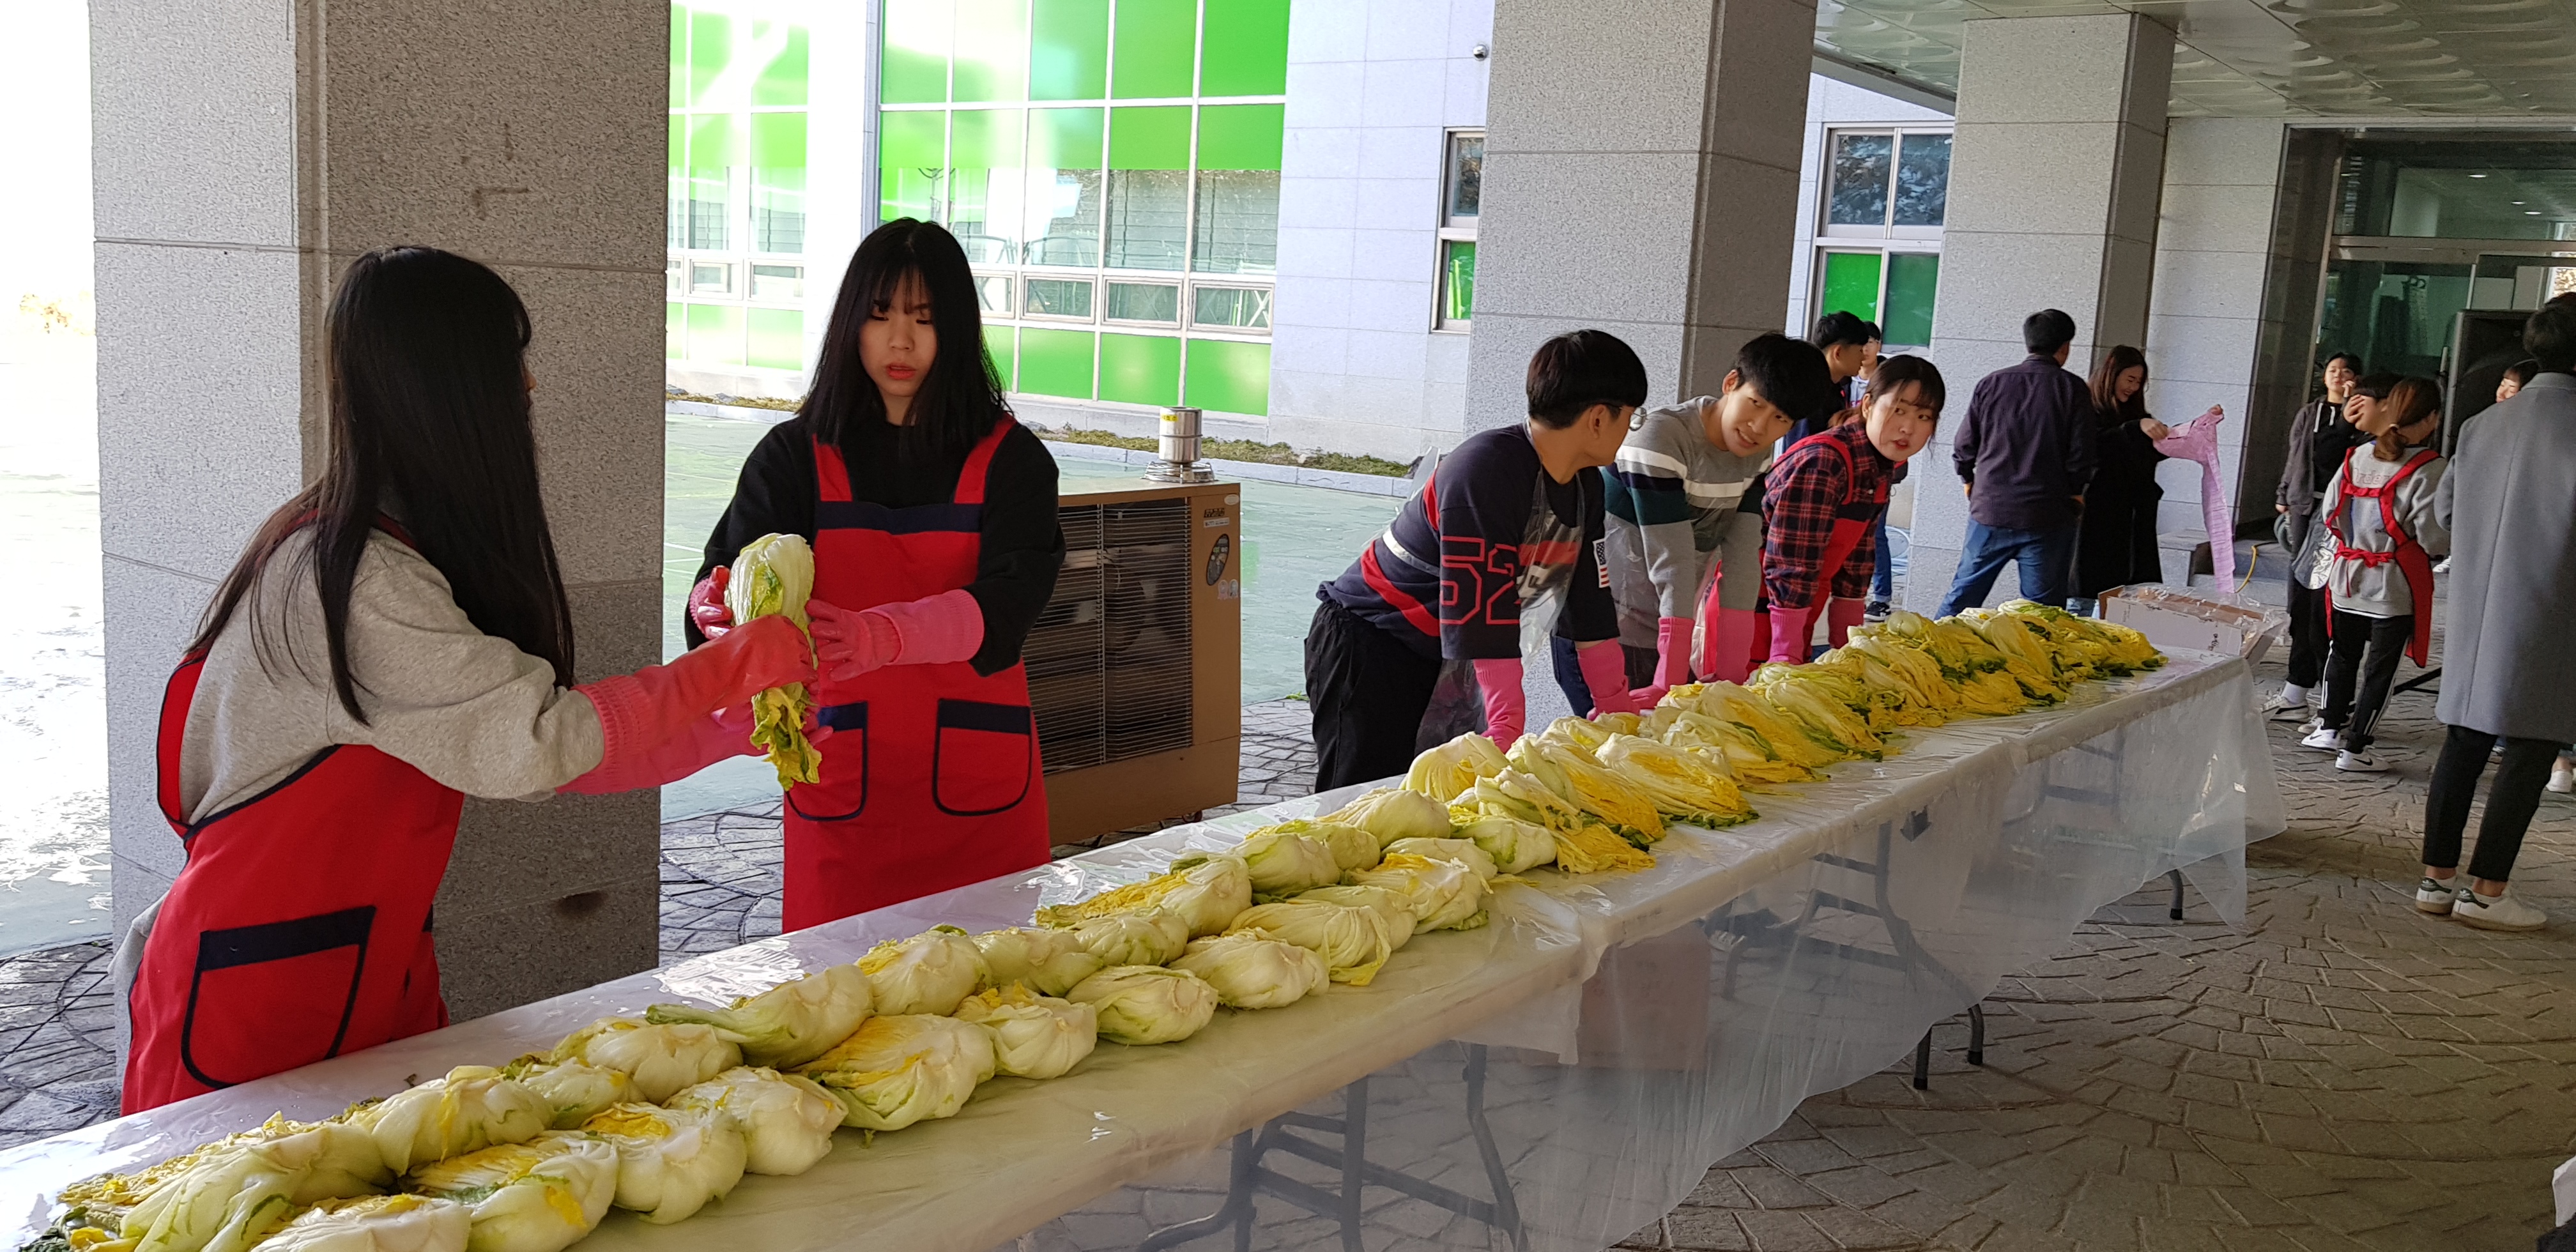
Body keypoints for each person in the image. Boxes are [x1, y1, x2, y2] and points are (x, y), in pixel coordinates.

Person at [120, 248, 817, 1113]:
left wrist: (723, 729)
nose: (527, 387)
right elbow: (535, 744)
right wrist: (735, 662)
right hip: (256, 999)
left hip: (366, 971)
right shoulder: (352, 580)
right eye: (507, 359)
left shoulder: (378, 550)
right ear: (448, 386)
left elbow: (543, 751)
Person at [687, 219, 1066, 931]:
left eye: (924, 319)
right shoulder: (793, 457)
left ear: (957, 329)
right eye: (880, 314)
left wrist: (881, 638)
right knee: (831, 1006)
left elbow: (1012, 605)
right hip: (842, 791)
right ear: (850, 324)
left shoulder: (1013, 461)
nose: (901, 341)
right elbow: (716, 591)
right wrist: (719, 614)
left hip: (979, 801)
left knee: (993, 1005)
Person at [1309, 330, 1644, 787]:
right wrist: (1508, 725)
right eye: (1632, 416)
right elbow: (1479, 609)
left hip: (1446, 658)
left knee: (1438, 800)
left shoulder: (1585, 487)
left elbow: (1590, 608)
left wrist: (1617, 712)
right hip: (1371, 642)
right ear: (1600, 418)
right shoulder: (1486, 468)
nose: (1630, 430)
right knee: (1362, 799)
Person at [2415, 300, 2576, 931]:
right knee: (2532, 745)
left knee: (2464, 739)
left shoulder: (2484, 424)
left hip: (2481, 606)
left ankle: (2437, 879)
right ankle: (2488, 889)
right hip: (2555, 607)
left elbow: (2445, 519)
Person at [1604, 334, 1839, 699]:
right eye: (1755, 403)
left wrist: (1732, 676)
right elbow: (1674, 562)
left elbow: (1743, 560)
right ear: (1731, 383)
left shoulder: (1756, 456)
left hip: (1665, 628)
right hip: (1604, 630)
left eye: (1780, 418)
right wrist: (1668, 680)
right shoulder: (1661, 438)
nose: (1759, 427)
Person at [2296, 375, 2446, 774]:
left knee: (2341, 654)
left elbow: (2330, 514)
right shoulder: (2430, 468)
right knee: (2380, 670)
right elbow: (2432, 536)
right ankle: (2356, 748)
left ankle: (2327, 727)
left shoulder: (2358, 457)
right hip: (2392, 583)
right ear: (2431, 419)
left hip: (2346, 575)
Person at [1761, 355, 1947, 663]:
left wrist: (1849, 652)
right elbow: (1791, 565)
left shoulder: (1879, 467)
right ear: (1868, 405)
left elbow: (1857, 565)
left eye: (1924, 417)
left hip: (1801, 612)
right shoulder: (1824, 462)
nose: (1907, 428)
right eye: (1898, 410)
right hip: (1760, 610)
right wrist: (1785, 654)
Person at [1936, 310, 2097, 615]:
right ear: (2065, 347)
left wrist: (1968, 480)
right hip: (2047, 515)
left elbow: (1964, 444)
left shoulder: (1991, 383)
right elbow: (2082, 452)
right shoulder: (2072, 389)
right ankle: (2035, 663)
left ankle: (1923, 654)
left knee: (1961, 598)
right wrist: (2076, 491)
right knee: (2042, 614)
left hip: (1990, 509)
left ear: (2029, 343)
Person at [2259, 352, 2362, 722]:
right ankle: (2302, 692)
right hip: (2309, 506)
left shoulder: (2365, 422)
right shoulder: (2312, 413)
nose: (2338, 377)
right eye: (2332, 371)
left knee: (2326, 602)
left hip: (2343, 515)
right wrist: (2284, 493)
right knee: (2306, 589)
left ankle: (2326, 699)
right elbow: (2297, 455)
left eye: (2346, 372)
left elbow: (2343, 454)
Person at [2072, 346, 2169, 609]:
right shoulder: (2087, 410)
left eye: (2139, 382)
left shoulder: (2138, 417)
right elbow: (2094, 448)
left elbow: (2155, 451)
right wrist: (2134, 429)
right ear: (2111, 375)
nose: (2134, 388)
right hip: (2096, 515)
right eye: (2130, 380)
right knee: (2088, 592)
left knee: (2126, 590)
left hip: (2131, 519)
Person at [1786, 312, 1875, 444]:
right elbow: (1803, 449)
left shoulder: (1836, 388)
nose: (1863, 357)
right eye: (1860, 350)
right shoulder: (1809, 394)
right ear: (1838, 353)